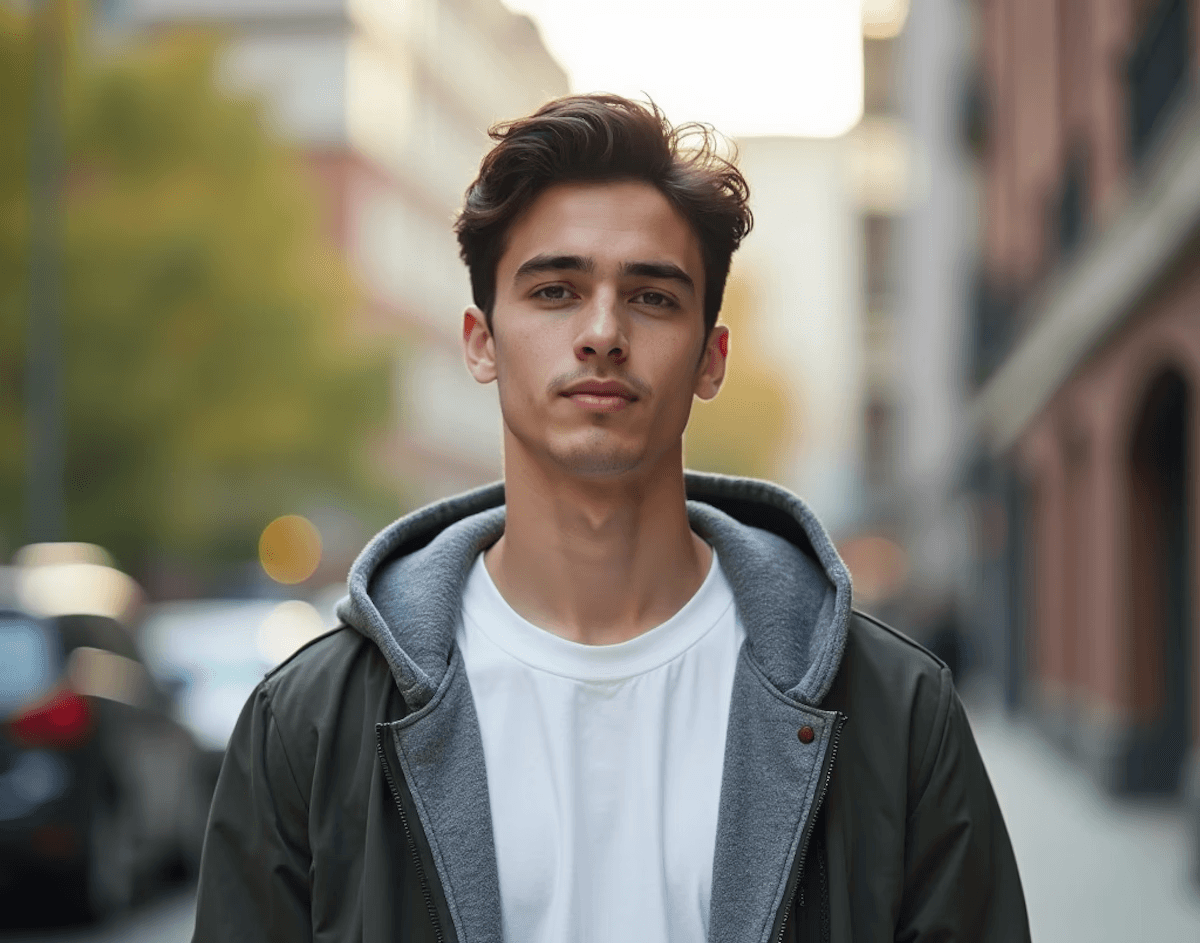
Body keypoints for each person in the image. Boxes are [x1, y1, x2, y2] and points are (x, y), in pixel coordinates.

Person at [192, 94, 1030, 943]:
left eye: (653, 298)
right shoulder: (307, 724)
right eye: (555, 290)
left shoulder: (896, 710)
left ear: (711, 358)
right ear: (481, 342)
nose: (602, 332)